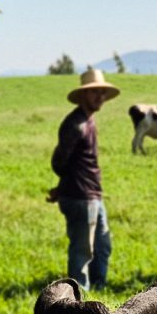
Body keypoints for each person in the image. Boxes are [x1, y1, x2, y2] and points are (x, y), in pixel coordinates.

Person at [52, 66, 114, 290]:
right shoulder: (75, 124)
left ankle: (98, 289)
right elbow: (59, 161)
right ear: (84, 95)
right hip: (80, 197)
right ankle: (78, 299)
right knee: (82, 250)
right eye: (95, 92)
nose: (101, 97)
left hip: (91, 194)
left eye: (103, 92)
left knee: (103, 245)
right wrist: (68, 187)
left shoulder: (89, 121)